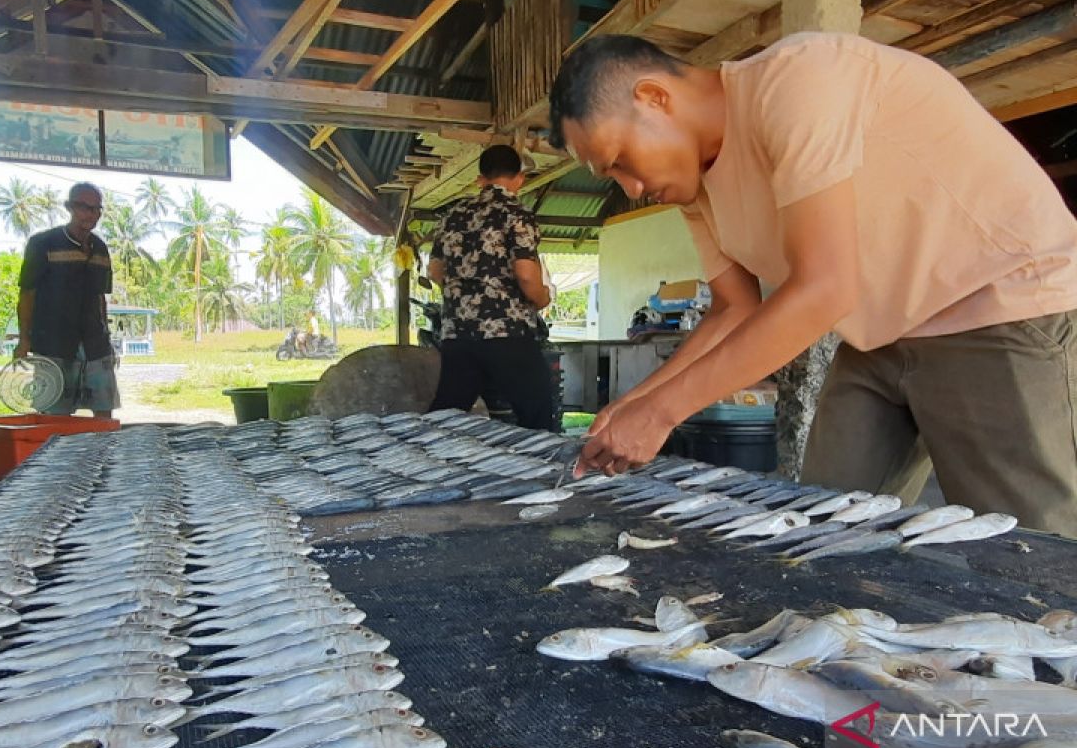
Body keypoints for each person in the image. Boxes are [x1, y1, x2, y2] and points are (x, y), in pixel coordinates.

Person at [549, 33, 1077, 536]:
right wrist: (635, 402)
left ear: (654, 97)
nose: (633, 188)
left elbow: (825, 289)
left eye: (621, 162)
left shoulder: (799, 81)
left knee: (1025, 551)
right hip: (879, 336)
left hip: (998, 306)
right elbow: (733, 309)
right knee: (822, 526)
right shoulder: (694, 186)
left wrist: (662, 413)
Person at [427, 145, 555, 430]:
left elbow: (435, 271)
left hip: (458, 334)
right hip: (506, 332)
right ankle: (542, 472)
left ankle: (412, 461)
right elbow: (525, 274)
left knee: (443, 419)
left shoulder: (453, 216)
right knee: (538, 415)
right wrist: (542, 298)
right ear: (520, 178)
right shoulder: (517, 215)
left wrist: (464, 292)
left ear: (481, 178)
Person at [14, 182, 119, 418]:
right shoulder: (42, 243)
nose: (91, 214)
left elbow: (100, 297)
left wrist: (107, 339)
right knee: (55, 418)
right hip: (54, 344)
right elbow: (27, 294)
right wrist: (24, 340)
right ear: (69, 207)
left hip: (95, 344)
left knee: (104, 415)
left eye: (96, 209)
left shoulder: (100, 248)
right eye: (84, 207)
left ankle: (102, 456)